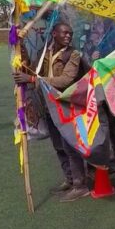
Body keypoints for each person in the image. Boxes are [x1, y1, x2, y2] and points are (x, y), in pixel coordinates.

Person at [13, 22, 90, 202]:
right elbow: (32, 67)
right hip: (48, 106)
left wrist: (32, 79)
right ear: (54, 33)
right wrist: (20, 45)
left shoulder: (74, 54)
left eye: (70, 33)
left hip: (65, 107)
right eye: (64, 33)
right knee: (58, 146)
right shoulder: (45, 53)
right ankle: (70, 180)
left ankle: (81, 185)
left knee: (70, 146)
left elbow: (65, 80)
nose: (68, 36)